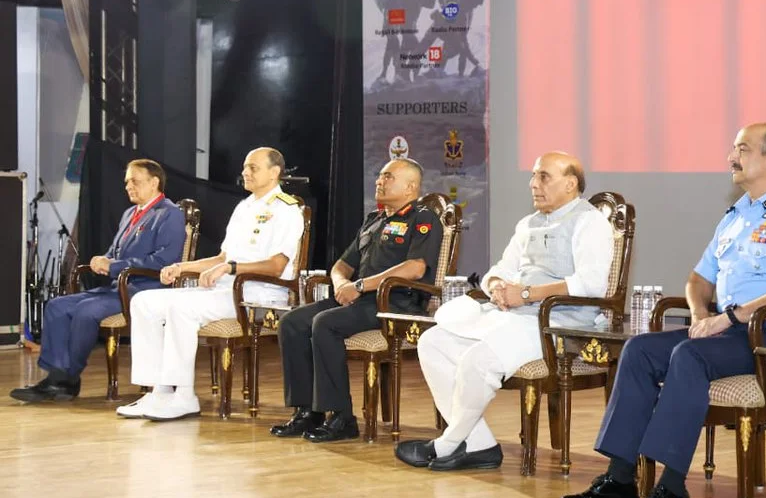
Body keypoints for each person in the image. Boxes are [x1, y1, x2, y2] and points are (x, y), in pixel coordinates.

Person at [561, 123, 766, 498]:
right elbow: (698, 280)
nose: (731, 157)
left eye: (742, 149)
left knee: (688, 356)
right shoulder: (736, 217)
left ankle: (672, 492)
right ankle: (620, 478)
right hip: (733, 330)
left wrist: (730, 316)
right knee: (639, 350)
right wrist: (701, 314)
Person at [394, 152, 612, 471]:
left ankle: (447, 444)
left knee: (479, 360)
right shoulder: (528, 224)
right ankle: (479, 445)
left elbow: (591, 284)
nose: (533, 183)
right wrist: (497, 285)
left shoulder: (588, 221)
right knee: (434, 342)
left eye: (543, 177)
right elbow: (500, 269)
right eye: (533, 176)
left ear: (570, 184)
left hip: (556, 322)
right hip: (514, 316)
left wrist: (526, 293)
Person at [118, 148, 306, 422]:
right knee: (144, 301)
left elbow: (277, 265)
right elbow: (222, 257)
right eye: (245, 166)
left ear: (274, 172)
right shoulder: (244, 207)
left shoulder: (287, 210)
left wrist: (231, 268)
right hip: (226, 287)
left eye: (253, 168)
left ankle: (184, 396)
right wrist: (182, 267)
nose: (245, 172)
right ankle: (158, 391)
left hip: (258, 292)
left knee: (181, 308)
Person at [270, 158, 443, 442]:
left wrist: (360, 286)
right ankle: (307, 412)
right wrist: (342, 284)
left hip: (395, 303)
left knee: (325, 323)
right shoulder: (374, 220)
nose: (379, 181)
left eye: (388, 177)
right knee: (292, 322)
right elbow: (342, 265)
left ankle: (341, 418)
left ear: (410, 186)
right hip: (360, 299)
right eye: (380, 176)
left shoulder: (423, 218)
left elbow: (415, 267)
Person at [11, 160, 185, 403]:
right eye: (127, 182)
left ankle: (67, 379)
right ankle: (57, 377)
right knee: (56, 306)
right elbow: (115, 252)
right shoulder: (129, 214)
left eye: (135, 181)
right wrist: (102, 259)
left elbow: (164, 260)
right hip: (118, 287)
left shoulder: (169, 214)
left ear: (154, 182)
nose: (128, 186)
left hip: (146, 290)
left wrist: (113, 266)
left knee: (86, 310)